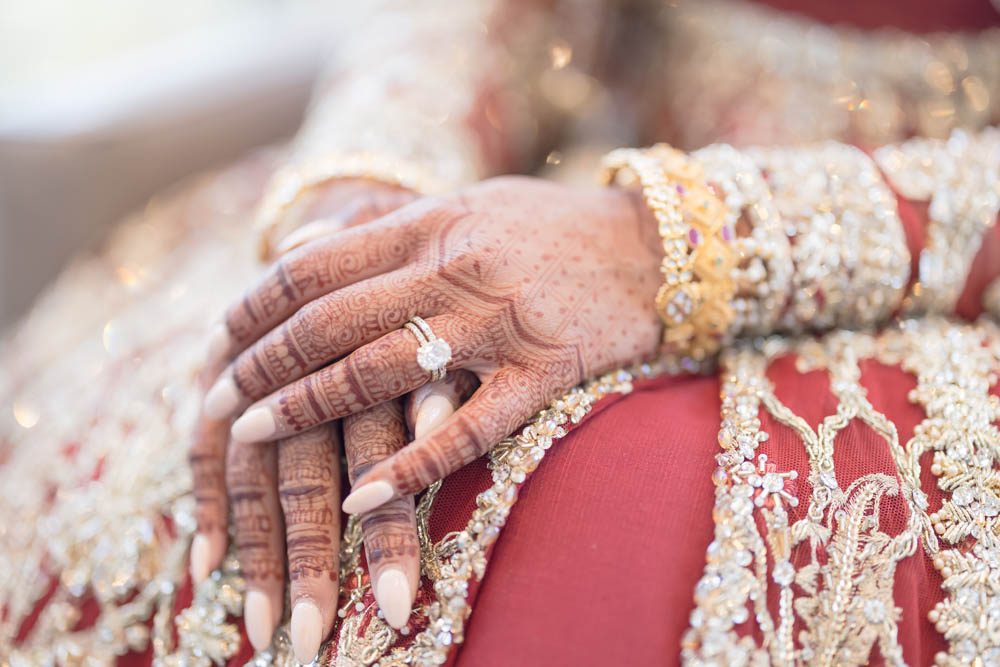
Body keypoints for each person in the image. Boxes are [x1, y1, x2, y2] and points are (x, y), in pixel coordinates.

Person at [2, 1, 999, 665]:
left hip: (941, 293)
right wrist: (368, 217)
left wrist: (667, 245)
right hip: (560, 187)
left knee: (607, 521)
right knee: (241, 417)